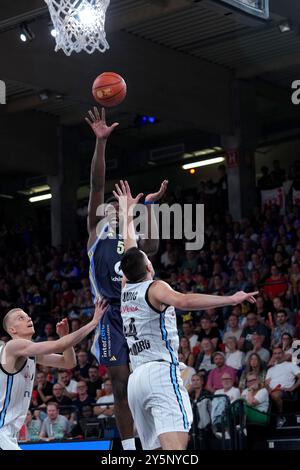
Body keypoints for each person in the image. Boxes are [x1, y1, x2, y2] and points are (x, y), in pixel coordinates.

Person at [113, 180, 257, 450]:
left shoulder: (125, 288)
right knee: (176, 448)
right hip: (159, 372)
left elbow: (129, 246)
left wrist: (130, 211)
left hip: (136, 381)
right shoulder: (155, 288)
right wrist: (231, 298)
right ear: (148, 265)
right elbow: (185, 300)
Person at [85, 107, 168, 450]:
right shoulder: (95, 233)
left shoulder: (133, 239)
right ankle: (131, 450)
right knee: (120, 386)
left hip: (139, 311)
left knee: (144, 383)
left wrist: (148, 208)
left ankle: (153, 442)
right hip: (110, 315)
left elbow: (153, 246)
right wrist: (101, 143)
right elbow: (96, 184)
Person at [0, 298, 107, 450]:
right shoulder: (13, 346)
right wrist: (93, 322)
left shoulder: (31, 353)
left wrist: (65, 337)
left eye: (27, 315)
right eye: (20, 318)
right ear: (12, 330)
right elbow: (58, 345)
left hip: (9, 432)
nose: (28, 318)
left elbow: (68, 363)